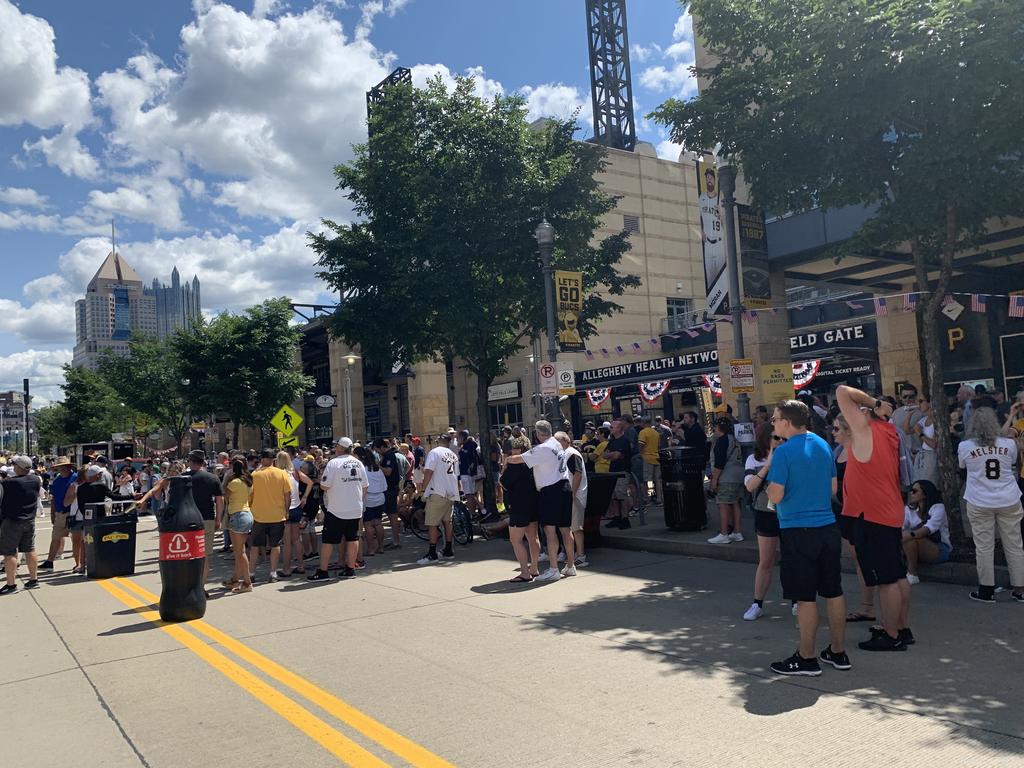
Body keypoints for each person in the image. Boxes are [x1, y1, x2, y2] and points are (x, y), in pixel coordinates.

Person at [764, 401, 849, 676]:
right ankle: (837, 651)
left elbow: (775, 495)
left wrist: (769, 487)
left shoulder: (784, 452)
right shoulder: (823, 445)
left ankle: (807, 657)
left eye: (776, 420)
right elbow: (832, 487)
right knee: (833, 591)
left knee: (804, 597)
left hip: (797, 529)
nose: (773, 424)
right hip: (826, 525)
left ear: (787, 422)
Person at [836, 384, 912, 651]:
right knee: (897, 575)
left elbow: (842, 391)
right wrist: (876, 408)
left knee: (887, 580)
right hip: (887, 511)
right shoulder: (888, 431)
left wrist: (873, 402)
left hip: (872, 515)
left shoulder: (866, 430)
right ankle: (901, 627)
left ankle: (891, 635)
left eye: (863, 410)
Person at [957, 407, 1024, 603]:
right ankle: (1020, 589)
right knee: (1014, 544)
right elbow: (1012, 462)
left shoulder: (965, 446)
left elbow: (962, 466)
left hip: (979, 499)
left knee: (984, 546)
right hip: (1009, 498)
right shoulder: (1008, 444)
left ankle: (986, 590)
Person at [505, 420, 575, 580]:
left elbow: (519, 459)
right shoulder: (557, 444)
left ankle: (553, 569)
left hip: (551, 490)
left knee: (550, 531)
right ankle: (570, 565)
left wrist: (507, 460)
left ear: (537, 434)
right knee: (565, 529)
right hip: (565, 486)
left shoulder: (543, 448)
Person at [309, 437, 367, 581]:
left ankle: (323, 571)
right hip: (355, 508)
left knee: (328, 541)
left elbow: (325, 485)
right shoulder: (358, 463)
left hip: (337, 509)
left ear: (340, 448)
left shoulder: (333, 463)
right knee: (352, 538)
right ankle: (350, 568)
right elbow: (365, 486)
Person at [742, 426, 782, 620]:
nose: (780, 441)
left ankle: (795, 602)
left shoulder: (788, 456)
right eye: (776, 437)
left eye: (783, 437)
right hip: (765, 512)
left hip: (787, 511)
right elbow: (750, 486)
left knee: (792, 558)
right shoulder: (754, 460)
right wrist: (768, 465)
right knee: (766, 560)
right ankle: (757, 603)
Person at [248, 448, 292, 583]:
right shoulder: (282, 474)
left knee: (255, 546)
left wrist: (251, 508)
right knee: (275, 545)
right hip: (277, 515)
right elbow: (287, 495)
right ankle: (272, 573)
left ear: (262, 459)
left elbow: (250, 496)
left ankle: (251, 573)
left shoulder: (254, 475)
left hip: (258, 515)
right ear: (273, 460)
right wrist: (286, 510)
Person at [415, 433, 460, 564]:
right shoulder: (453, 455)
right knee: (447, 521)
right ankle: (448, 549)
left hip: (437, 491)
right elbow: (455, 474)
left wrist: (423, 490)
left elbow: (429, 472)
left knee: (432, 523)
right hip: (450, 492)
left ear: (438, 441)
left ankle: (432, 553)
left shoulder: (434, 453)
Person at [501, 435, 541, 582]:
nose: (511, 452)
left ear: (519, 449)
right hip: (533, 502)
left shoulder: (515, 464)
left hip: (518, 504)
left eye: (514, 449)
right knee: (533, 537)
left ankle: (525, 572)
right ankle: (535, 568)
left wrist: (505, 466)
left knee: (516, 539)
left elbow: (504, 483)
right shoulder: (534, 463)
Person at [0, 456, 42, 594]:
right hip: (29, 520)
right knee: (30, 549)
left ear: (19, 467)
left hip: (13, 520)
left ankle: (11, 585)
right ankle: (33, 579)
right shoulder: (36, 480)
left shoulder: (10, 483)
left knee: (9, 552)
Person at [186, 449, 224, 588]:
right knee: (205, 555)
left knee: (189, 554)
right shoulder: (212, 478)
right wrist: (218, 519)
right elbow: (220, 501)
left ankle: (190, 584)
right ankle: (200, 586)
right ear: (203, 462)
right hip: (207, 518)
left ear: (190, 461)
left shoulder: (183, 478)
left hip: (188, 520)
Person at [902, 479, 951, 584]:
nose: (911, 493)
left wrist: (909, 534)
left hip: (939, 548)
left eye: (914, 491)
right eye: (910, 490)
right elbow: (900, 526)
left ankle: (912, 572)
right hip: (914, 545)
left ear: (925, 494)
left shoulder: (938, 508)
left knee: (910, 538)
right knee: (903, 538)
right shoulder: (909, 510)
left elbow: (929, 529)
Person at [708, 417, 745, 544]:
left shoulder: (722, 440)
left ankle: (724, 533)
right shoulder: (734, 440)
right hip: (739, 475)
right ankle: (737, 532)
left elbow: (719, 463)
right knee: (735, 503)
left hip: (727, 476)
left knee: (722, 503)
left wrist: (714, 480)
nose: (713, 429)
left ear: (718, 428)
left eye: (715, 426)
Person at [220, 458, 254, 593]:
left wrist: (226, 478)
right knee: (240, 551)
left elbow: (225, 496)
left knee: (240, 552)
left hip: (237, 515)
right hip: (247, 514)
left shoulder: (233, 482)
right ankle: (235, 578)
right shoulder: (248, 482)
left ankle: (247, 582)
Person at [556, 430, 589, 568]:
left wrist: (572, 493)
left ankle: (581, 556)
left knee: (576, 527)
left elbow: (577, 474)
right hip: (570, 495)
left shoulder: (571, 454)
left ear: (564, 441)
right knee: (570, 527)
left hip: (575, 496)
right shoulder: (567, 453)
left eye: (557, 441)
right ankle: (574, 554)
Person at [277, 450, 311, 577]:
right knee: (297, 539)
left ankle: (286, 568)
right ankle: (301, 565)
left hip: (285, 509)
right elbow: (310, 482)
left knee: (286, 542)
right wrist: (305, 497)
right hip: (297, 507)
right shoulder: (296, 473)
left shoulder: (279, 474)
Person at [39, 457, 76, 570]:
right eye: (59, 467)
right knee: (55, 537)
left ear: (69, 467)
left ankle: (80, 562)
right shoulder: (57, 480)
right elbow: (54, 498)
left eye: (63, 466)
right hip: (61, 513)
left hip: (74, 513)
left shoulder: (76, 478)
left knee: (77, 539)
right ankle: (50, 562)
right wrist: (52, 513)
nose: (61, 469)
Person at [603, 418, 633, 528]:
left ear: (619, 428)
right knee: (613, 496)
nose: (610, 429)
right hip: (613, 471)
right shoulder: (612, 441)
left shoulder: (624, 440)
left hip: (622, 471)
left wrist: (613, 455)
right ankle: (616, 517)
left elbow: (615, 455)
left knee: (621, 495)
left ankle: (625, 519)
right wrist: (613, 454)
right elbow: (604, 455)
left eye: (612, 427)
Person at [358, 445, 387, 556]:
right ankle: (380, 547)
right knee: (378, 523)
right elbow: (384, 486)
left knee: (368, 525)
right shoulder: (378, 469)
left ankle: (371, 549)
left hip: (368, 498)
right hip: (379, 497)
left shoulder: (363, 470)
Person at [910, 395, 938, 485]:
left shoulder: (936, 421)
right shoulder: (924, 419)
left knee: (926, 484)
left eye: (921, 401)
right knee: (917, 483)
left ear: (929, 403)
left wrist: (920, 433)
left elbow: (934, 444)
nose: (919, 404)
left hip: (931, 456)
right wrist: (910, 414)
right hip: (923, 454)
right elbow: (907, 430)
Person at [637, 417, 663, 507]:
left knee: (646, 480)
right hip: (656, 457)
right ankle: (659, 498)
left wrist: (639, 454)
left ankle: (647, 499)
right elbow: (659, 445)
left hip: (646, 457)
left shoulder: (643, 432)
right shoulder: (656, 433)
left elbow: (641, 444)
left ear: (643, 423)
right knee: (657, 480)